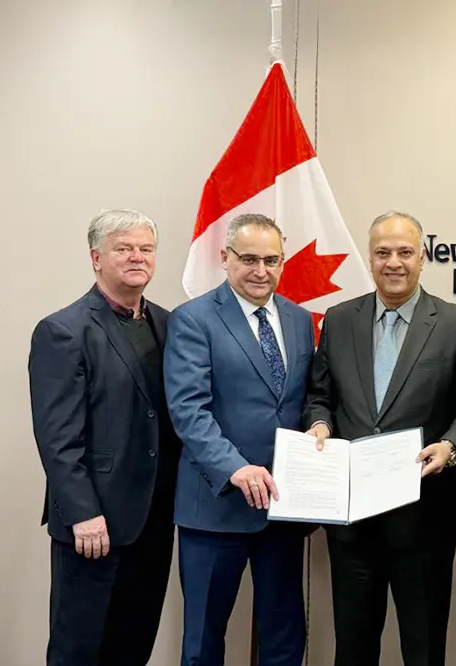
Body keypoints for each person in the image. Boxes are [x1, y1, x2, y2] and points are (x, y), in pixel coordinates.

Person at [303, 210, 456, 666]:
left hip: (425, 519)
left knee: (423, 648)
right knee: (353, 646)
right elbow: (319, 396)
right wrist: (319, 425)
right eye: (383, 253)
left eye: (404, 252)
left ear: (421, 257)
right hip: (353, 522)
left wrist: (450, 449)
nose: (394, 262)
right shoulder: (339, 319)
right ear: (369, 259)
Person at [28, 208, 179, 666]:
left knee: (134, 645)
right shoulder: (63, 331)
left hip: (154, 519)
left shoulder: (170, 324)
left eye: (146, 249)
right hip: (95, 525)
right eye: (124, 249)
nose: (138, 257)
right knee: (79, 648)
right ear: (97, 258)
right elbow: (57, 438)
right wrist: (84, 513)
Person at [164, 213, 313, 666]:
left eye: (272, 260)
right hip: (215, 511)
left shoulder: (300, 319)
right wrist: (235, 468)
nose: (261, 271)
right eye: (248, 259)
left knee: (285, 640)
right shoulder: (193, 320)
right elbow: (189, 410)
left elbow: (302, 402)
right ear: (225, 258)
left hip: (283, 511)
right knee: (204, 643)